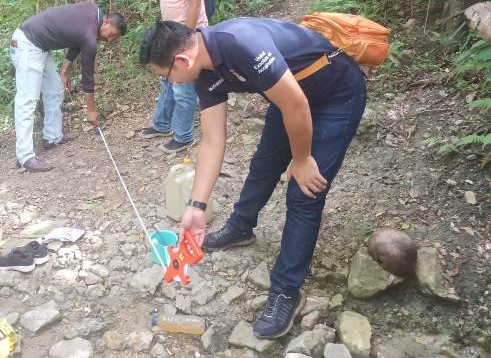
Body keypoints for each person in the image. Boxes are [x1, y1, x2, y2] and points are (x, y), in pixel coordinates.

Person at [139, 18, 366, 338]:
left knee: (304, 193)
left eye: (166, 76)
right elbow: (213, 140)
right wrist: (196, 205)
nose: (171, 82)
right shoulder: (203, 71)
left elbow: (298, 105)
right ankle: (240, 227)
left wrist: (301, 160)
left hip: (335, 94)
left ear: (181, 60)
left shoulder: (240, 43)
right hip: (288, 96)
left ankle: (287, 290)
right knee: (263, 165)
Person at [10, 2, 127, 172]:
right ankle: (24, 157)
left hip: (40, 47)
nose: (110, 40)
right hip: (27, 43)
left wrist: (64, 71)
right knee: (27, 100)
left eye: (114, 39)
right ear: (107, 21)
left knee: (56, 88)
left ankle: (52, 137)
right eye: (112, 35)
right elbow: (88, 79)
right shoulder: (90, 37)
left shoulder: (91, 12)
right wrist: (91, 111)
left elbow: (75, 41)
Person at [139, 0, 208, 153]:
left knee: (182, 87)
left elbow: (194, 1)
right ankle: (162, 123)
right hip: (173, 34)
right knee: (168, 80)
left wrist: (186, 39)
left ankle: (183, 135)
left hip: (184, 36)